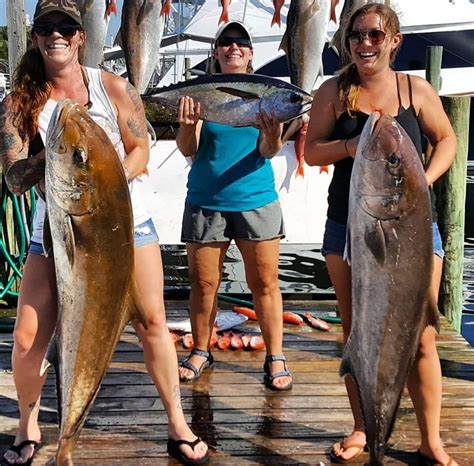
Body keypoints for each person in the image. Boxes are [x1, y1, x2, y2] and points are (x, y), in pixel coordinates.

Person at [0, 1, 208, 464]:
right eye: (46, 27)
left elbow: (140, 149)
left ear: (81, 37)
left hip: (126, 223)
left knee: (152, 321)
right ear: (35, 37)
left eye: (66, 27)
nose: (57, 35)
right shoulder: (19, 101)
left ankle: (177, 422)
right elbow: (13, 178)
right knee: (27, 338)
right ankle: (29, 425)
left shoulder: (112, 86)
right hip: (57, 230)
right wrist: (55, 156)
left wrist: (105, 175)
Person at [304, 4, 457, 465]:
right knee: (357, 333)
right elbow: (311, 152)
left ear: (394, 40)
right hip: (348, 227)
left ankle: (430, 439)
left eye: (374, 35)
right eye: (356, 35)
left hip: (412, 227)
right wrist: (353, 145)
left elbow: (446, 139)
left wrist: (422, 180)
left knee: (422, 335)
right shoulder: (333, 91)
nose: (364, 44)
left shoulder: (416, 89)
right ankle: (362, 427)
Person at [176, 21, 292, 391]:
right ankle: (200, 349)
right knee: (204, 282)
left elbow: (267, 152)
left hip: (255, 199)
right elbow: (189, 150)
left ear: (251, 52)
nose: (233, 48)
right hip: (206, 199)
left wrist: (273, 135)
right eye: (225, 42)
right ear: (216, 52)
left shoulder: (265, 93)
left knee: (265, 282)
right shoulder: (200, 91)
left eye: (241, 42)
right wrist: (185, 124)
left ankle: (275, 356)